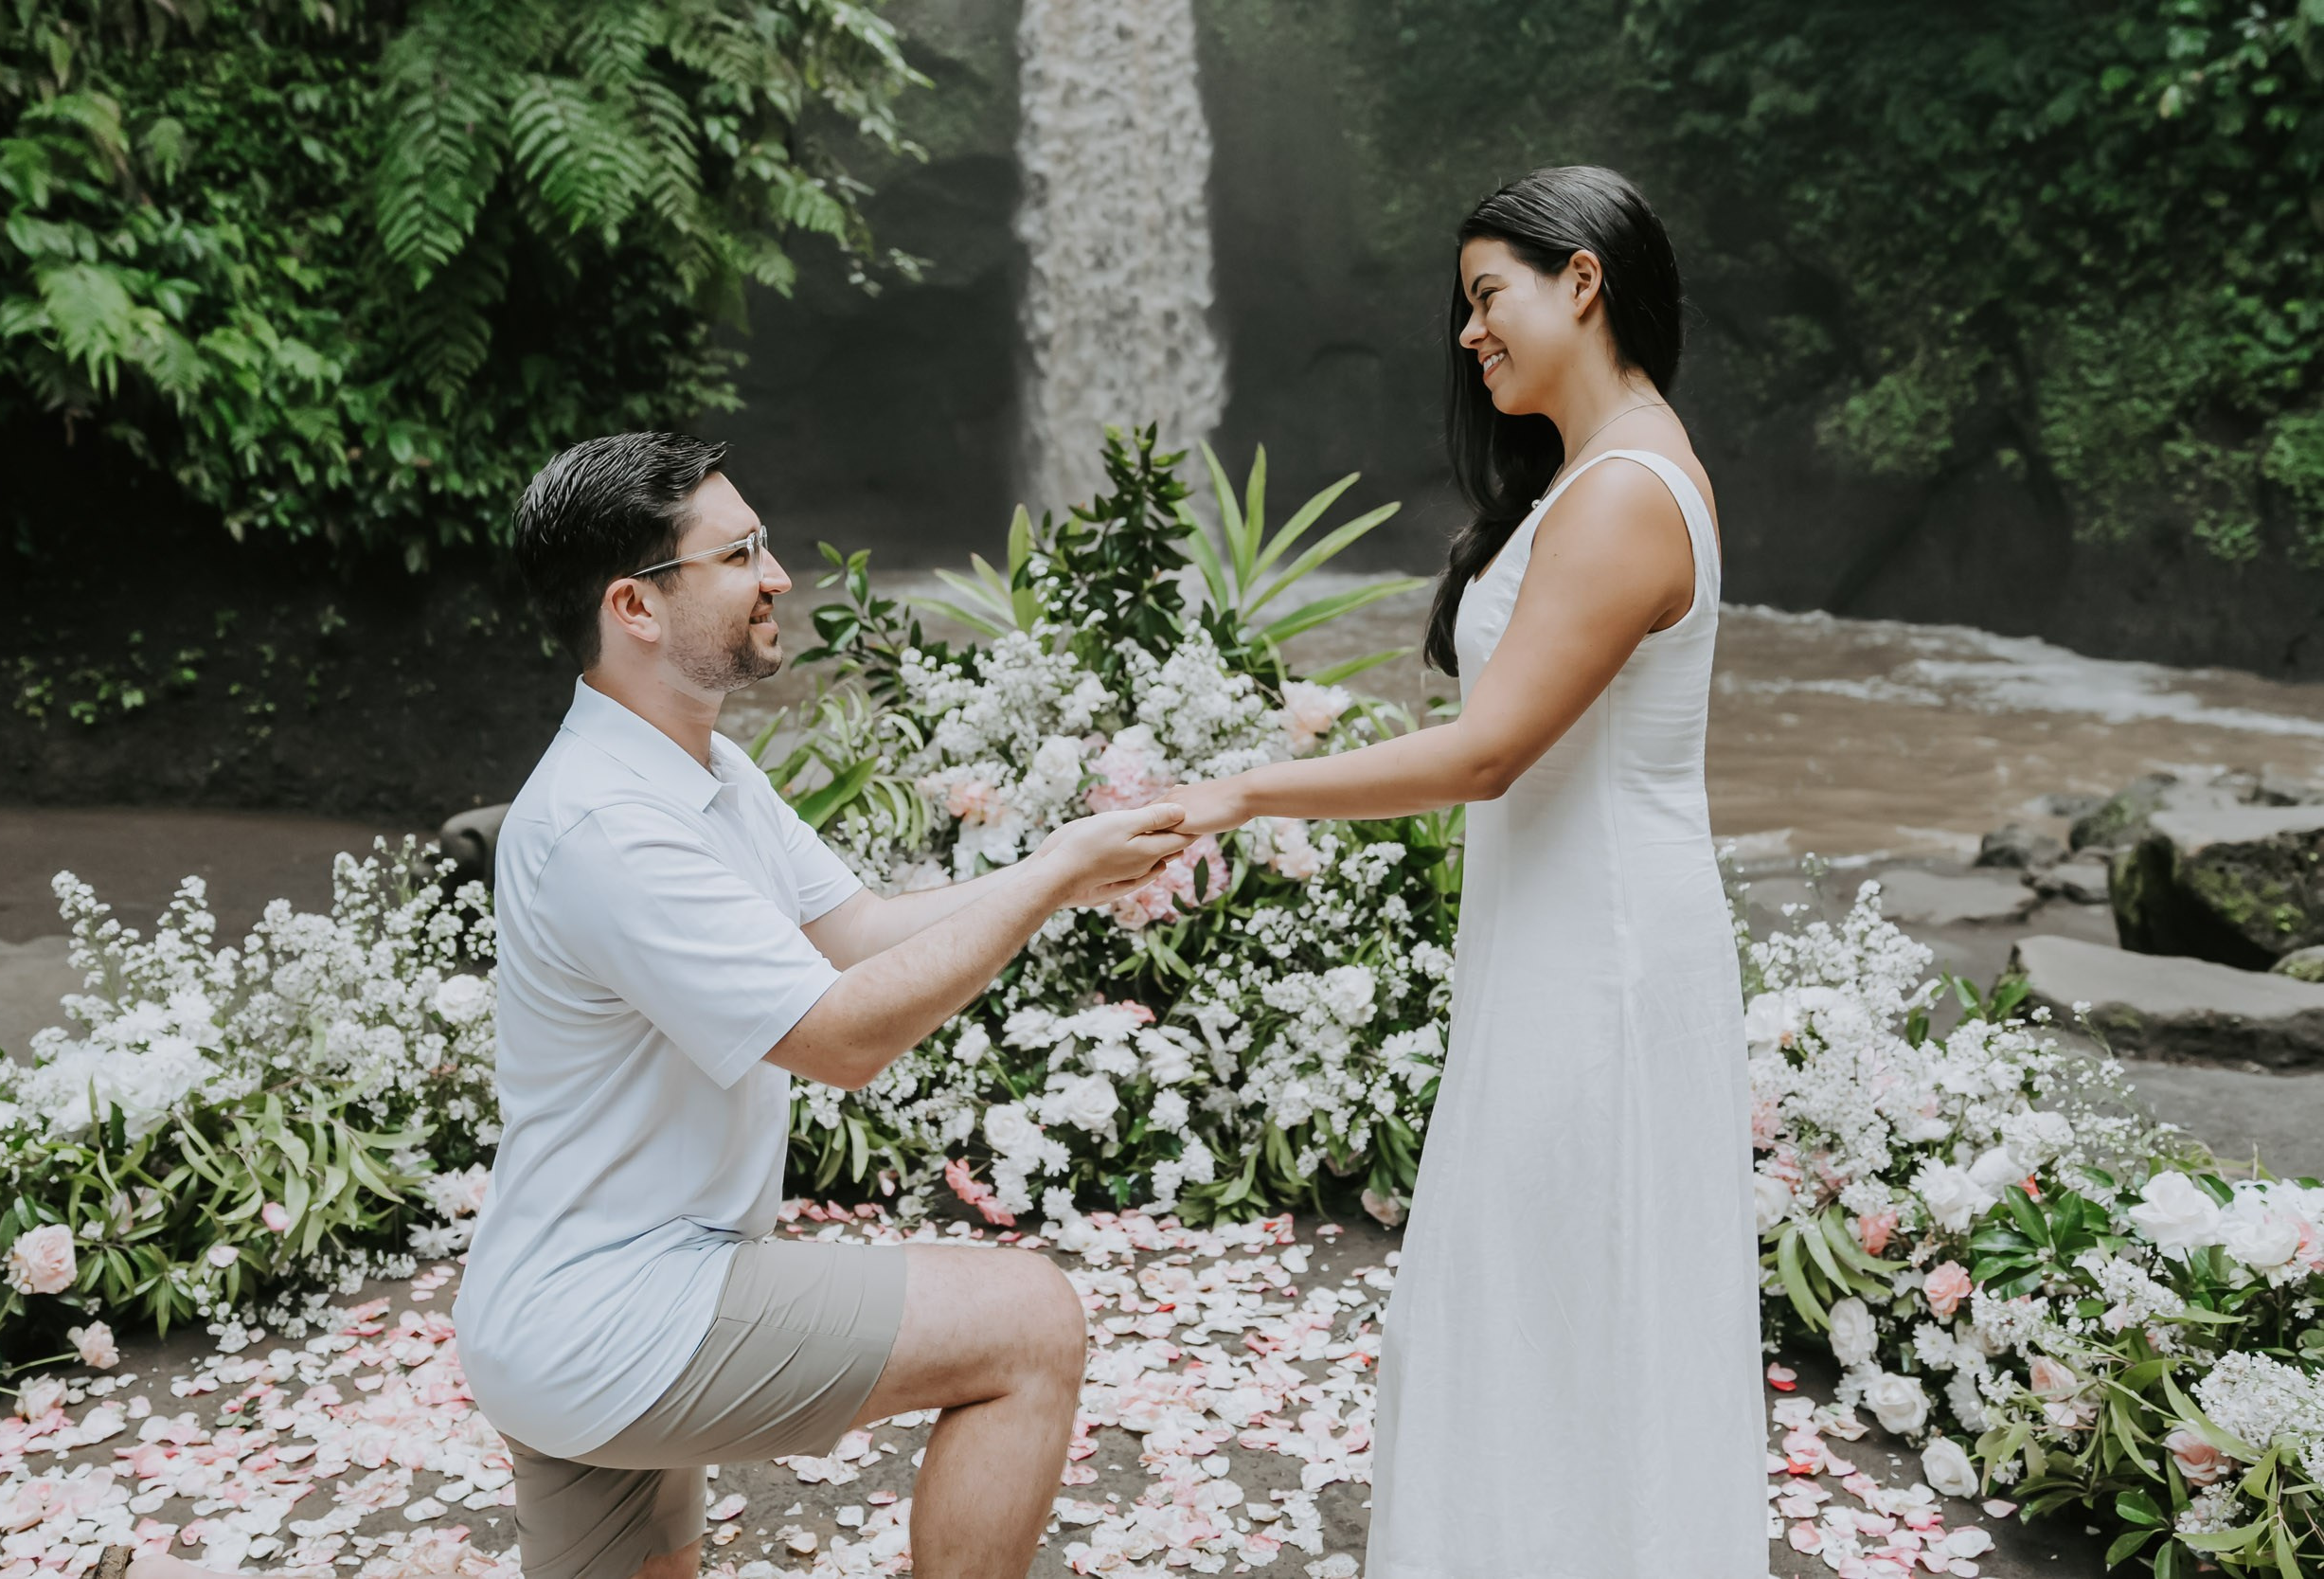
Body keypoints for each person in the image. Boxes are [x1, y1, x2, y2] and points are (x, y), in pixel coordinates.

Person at [96, 433, 1192, 1579]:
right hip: (624, 1316)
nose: (776, 576)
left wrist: (1056, 866)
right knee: (1029, 1320)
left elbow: (860, 931)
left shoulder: (704, 769)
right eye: (742, 553)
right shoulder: (610, 823)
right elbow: (841, 1035)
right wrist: (1058, 876)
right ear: (636, 606)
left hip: (566, 1302)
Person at [1162, 168, 1767, 1573]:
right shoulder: (1597, 470)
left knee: (1562, 1282)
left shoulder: (1622, 494)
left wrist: (1244, 786)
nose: (1468, 331)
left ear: (1585, 282)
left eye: (1488, 295)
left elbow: (1488, 753)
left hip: (1603, 952)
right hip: (1565, 934)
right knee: (1545, 1283)